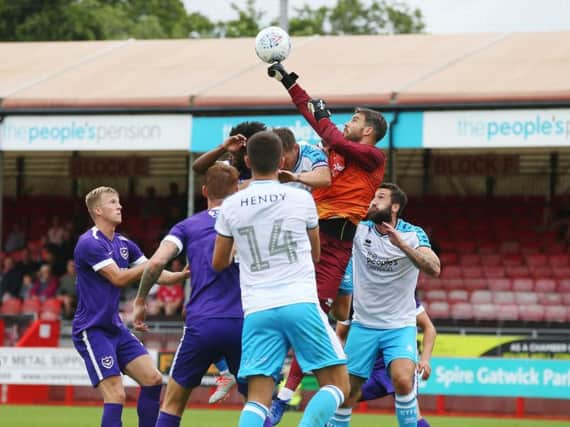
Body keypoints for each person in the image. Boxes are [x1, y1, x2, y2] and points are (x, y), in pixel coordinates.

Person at [267, 63, 387, 422]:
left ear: (367, 130)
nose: (347, 122)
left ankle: (284, 395)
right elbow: (314, 117)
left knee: (315, 316)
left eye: (353, 119)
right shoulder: (338, 149)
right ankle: (270, 384)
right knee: (285, 305)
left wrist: (326, 120)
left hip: (336, 244)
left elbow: (332, 135)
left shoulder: (373, 157)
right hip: (306, 233)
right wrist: (290, 81)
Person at [212, 130, 349, 427]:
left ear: (247, 160)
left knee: (257, 399)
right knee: (339, 385)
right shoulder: (301, 198)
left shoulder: (231, 205)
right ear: (282, 160)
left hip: (257, 307)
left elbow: (219, 262)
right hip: (299, 301)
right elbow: (315, 254)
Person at [132, 163, 246, 427]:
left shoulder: (187, 227)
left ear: (204, 190)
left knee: (172, 403)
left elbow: (155, 264)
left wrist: (140, 300)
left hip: (202, 323)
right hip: (244, 322)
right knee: (256, 401)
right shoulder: (248, 222)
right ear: (237, 189)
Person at [72, 186, 189, 427]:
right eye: (113, 202)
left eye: (119, 201)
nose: (120, 206)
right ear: (98, 210)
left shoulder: (124, 243)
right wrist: (153, 264)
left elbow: (157, 273)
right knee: (116, 394)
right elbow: (119, 278)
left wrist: (183, 274)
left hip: (115, 328)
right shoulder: (89, 243)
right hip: (92, 330)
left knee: (153, 379)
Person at [326, 183, 440, 427]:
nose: (373, 201)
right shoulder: (359, 230)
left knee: (403, 379)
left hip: (399, 326)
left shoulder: (412, 234)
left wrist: (403, 246)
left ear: (395, 206)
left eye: (380, 197)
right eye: (372, 197)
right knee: (346, 393)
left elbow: (434, 268)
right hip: (364, 326)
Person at [192, 121, 267, 183]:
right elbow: (198, 167)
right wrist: (223, 147)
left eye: (235, 153)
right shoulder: (227, 169)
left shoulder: (270, 170)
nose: (231, 156)